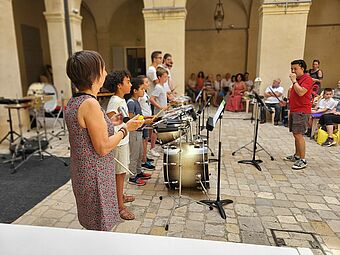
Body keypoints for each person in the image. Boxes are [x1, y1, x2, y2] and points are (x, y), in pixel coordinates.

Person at [65, 50, 143, 230]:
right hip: (96, 176)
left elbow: (86, 131)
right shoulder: (90, 104)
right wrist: (125, 129)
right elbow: (102, 147)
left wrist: (111, 122)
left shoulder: (75, 101)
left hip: (84, 173)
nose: (106, 73)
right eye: (103, 68)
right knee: (100, 228)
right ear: (93, 75)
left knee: (92, 226)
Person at [104, 70, 144, 221]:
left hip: (123, 140)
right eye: (128, 82)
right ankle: (119, 206)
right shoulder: (115, 101)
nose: (131, 84)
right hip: (118, 142)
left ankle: (119, 196)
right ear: (120, 85)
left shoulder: (121, 100)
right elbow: (110, 122)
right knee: (119, 174)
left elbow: (122, 121)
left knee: (122, 173)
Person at [284, 59, 314, 170]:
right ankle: (297, 155)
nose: (293, 71)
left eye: (295, 69)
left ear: (302, 68)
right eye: (291, 69)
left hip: (302, 111)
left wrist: (294, 81)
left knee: (298, 134)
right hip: (294, 109)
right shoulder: (298, 79)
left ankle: (303, 159)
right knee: (295, 134)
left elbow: (301, 92)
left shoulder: (307, 79)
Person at [126, 77, 152, 186]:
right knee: (134, 155)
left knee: (140, 153)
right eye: (142, 89)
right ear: (135, 91)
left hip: (139, 132)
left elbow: (139, 117)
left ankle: (138, 172)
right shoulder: (131, 103)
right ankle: (132, 176)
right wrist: (145, 121)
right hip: (134, 132)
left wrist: (148, 117)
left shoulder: (137, 101)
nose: (143, 91)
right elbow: (132, 120)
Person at [146, 51, 163, 157]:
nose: (161, 60)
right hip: (153, 99)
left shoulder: (155, 69)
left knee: (157, 125)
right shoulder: (152, 70)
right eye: (159, 58)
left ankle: (154, 143)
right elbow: (158, 83)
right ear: (154, 59)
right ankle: (152, 147)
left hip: (157, 98)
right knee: (154, 125)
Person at [137, 75, 155, 170]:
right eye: (146, 82)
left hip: (148, 118)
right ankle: (143, 160)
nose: (148, 84)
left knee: (146, 139)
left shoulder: (145, 93)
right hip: (143, 120)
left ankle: (145, 156)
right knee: (144, 140)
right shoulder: (140, 96)